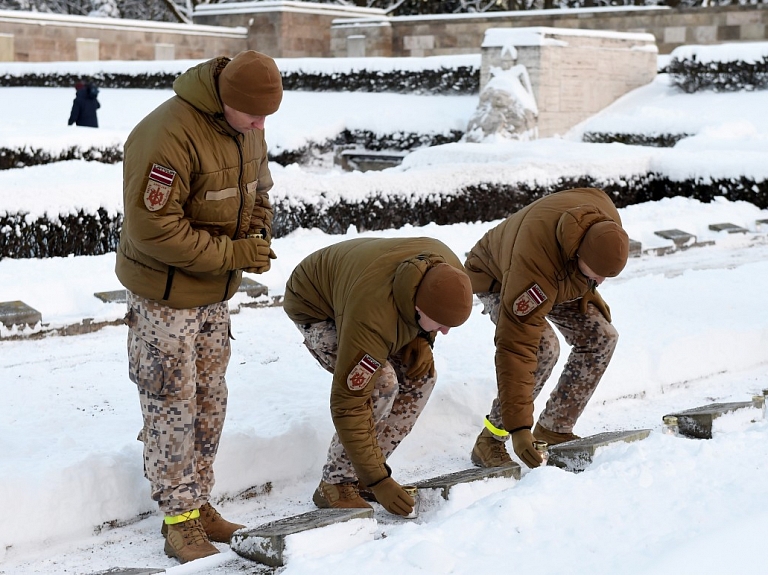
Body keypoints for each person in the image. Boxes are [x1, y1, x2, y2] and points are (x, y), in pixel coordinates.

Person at [115, 50, 282, 564]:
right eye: (253, 115)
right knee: (171, 401)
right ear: (225, 100)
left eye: (265, 117)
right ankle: (178, 518)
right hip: (164, 295)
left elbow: (260, 191)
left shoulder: (247, 125)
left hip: (214, 293)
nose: (260, 125)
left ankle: (199, 499)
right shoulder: (167, 132)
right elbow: (153, 229)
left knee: (210, 398)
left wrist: (258, 230)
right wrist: (235, 253)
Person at [283, 237, 474, 517]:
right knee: (381, 384)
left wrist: (424, 338)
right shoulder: (371, 316)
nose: (445, 331)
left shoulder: (449, 273)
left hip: (369, 286)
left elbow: (431, 310)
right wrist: (379, 480)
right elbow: (349, 403)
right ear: (419, 309)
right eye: (441, 325)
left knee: (422, 377)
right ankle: (336, 483)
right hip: (315, 303)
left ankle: (363, 472)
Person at [464, 187, 630, 470]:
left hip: (559, 274)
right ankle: (490, 440)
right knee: (543, 348)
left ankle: (554, 428)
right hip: (499, 276)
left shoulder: (607, 226)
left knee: (601, 336)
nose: (601, 281)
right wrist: (517, 428)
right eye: (596, 275)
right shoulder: (535, 261)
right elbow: (516, 347)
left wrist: (586, 285)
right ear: (579, 253)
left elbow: (592, 264)